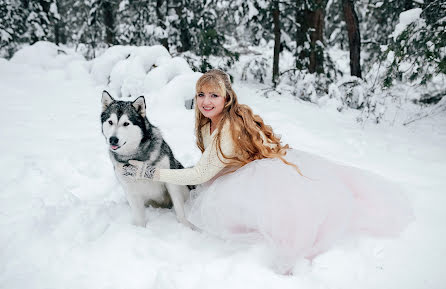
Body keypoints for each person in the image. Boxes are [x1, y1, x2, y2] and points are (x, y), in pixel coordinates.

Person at [119, 69, 414, 273]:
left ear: (227, 99)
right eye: (201, 95)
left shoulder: (227, 127)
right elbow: (207, 167)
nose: (206, 101)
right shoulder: (209, 121)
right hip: (232, 174)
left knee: (284, 223)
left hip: (254, 178)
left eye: (214, 95)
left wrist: (151, 173)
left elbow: (198, 175)